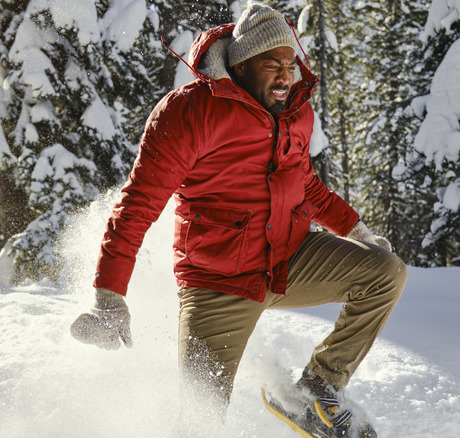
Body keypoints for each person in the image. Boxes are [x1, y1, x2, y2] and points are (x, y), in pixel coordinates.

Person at [71, 4, 407, 437]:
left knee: (385, 274)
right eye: (273, 65)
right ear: (242, 63)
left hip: (290, 259)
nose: (286, 76)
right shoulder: (189, 113)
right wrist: (108, 296)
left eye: (290, 64)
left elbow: (306, 184)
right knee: (200, 420)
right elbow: (137, 207)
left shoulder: (295, 111)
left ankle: (315, 391)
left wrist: (358, 233)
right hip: (218, 282)